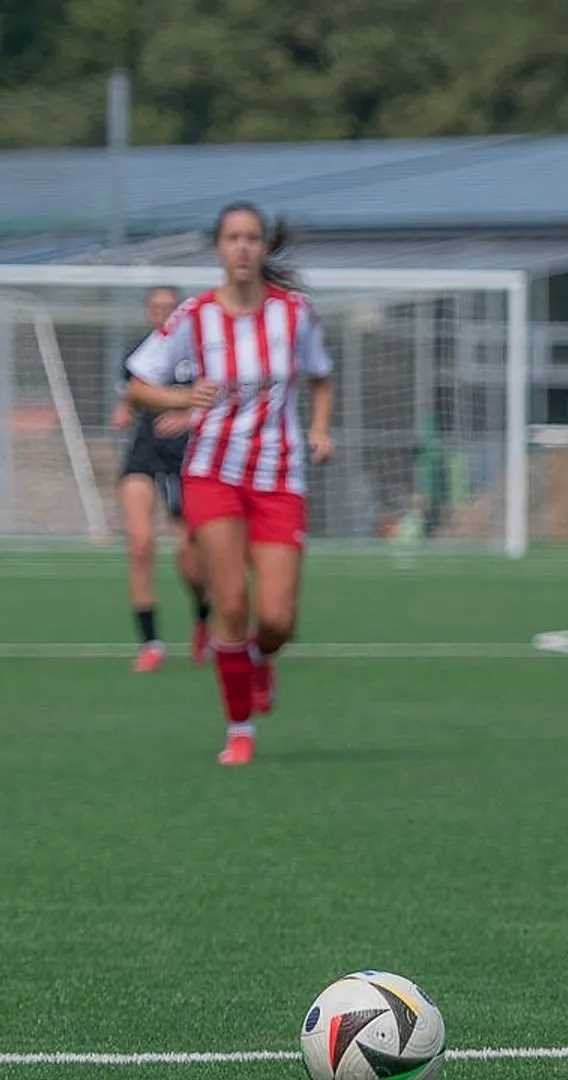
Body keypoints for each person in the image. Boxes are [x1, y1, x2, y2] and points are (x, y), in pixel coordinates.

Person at [124, 202, 334, 766]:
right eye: (233, 237)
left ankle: (262, 660)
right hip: (213, 474)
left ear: (264, 247)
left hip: (279, 477)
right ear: (219, 248)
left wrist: (319, 429)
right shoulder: (194, 316)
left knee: (278, 620)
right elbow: (138, 385)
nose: (242, 247)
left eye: (252, 238)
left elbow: (321, 377)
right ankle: (239, 729)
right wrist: (179, 396)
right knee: (232, 603)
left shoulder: (295, 313)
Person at [112, 285, 209, 671]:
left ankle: (204, 619)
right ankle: (150, 643)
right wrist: (124, 408)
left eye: (170, 307)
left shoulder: (201, 354)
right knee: (140, 544)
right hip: (145, 453)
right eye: (156, 307)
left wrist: (187, 416)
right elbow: (132, 394)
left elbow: (219, 400)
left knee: (190, 556)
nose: (163, 313)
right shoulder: (139, 354)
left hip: (187, 456)